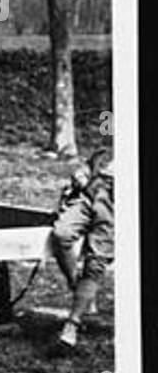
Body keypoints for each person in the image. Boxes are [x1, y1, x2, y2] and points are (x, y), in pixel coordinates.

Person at [50, 145, 114, 351]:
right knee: (61, 234)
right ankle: (79, 290)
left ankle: (72, 324)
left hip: (118, 201)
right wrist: (81, 174)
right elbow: (93, 163)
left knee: (96, 261)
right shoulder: (110, 140)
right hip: (90, 195)